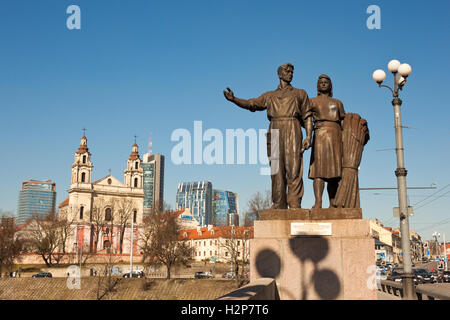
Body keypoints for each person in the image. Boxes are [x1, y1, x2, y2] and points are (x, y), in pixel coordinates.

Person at [224, 63, 313, 209]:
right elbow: (252, 103)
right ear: (279, 74)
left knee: (294, 167)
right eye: (287, 71)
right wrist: (234, 99)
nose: (290, 73)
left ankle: (294, 201)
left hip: (293, 127)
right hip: (275, 128)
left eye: (292, 71)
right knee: (276, 169)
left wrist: (309, 136)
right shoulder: (270, 96)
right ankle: (279, 202)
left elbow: (307, 116)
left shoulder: (300, 93)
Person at [308, 74, 345, 208]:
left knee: (334, 172)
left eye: (326, 82)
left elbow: (343, 121)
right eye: (321, 82)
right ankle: (318, 201)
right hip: (320, 135)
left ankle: (332, 202)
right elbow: (305, 118)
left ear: (330, 85)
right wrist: (309, 130)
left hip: (335, 136)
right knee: (319, 171)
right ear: (318, 85)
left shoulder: (337, 103)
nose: (323, 84)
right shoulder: (311, 101)